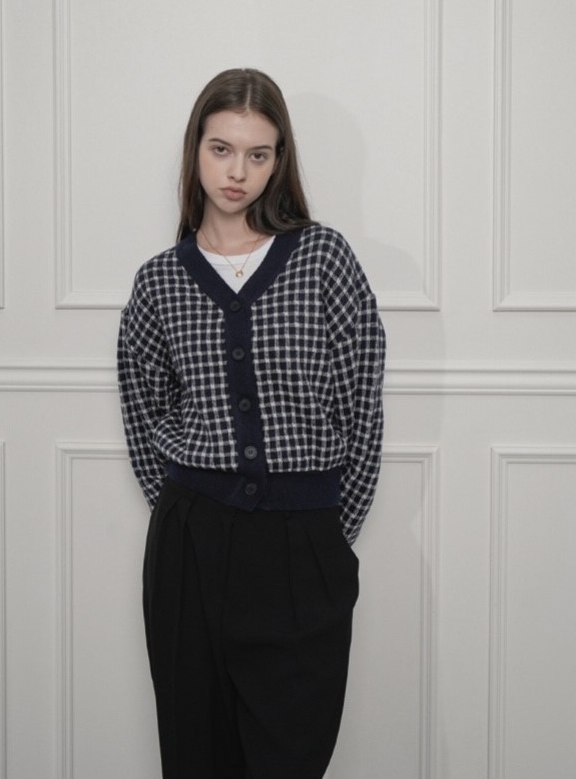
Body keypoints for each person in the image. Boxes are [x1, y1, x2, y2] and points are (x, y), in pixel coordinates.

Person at [117, 68, 386, 779]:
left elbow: (361, 403)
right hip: (191, 549)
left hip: (303, 545)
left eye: (257, 154)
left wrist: (328, 533)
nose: (237, 172)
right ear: (195, 152)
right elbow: (144, 410)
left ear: (278, 161)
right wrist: (189, 515)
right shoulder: (160, 280)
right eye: (221, 149)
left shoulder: (324, 259)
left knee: (289, 756)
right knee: (197, 756)